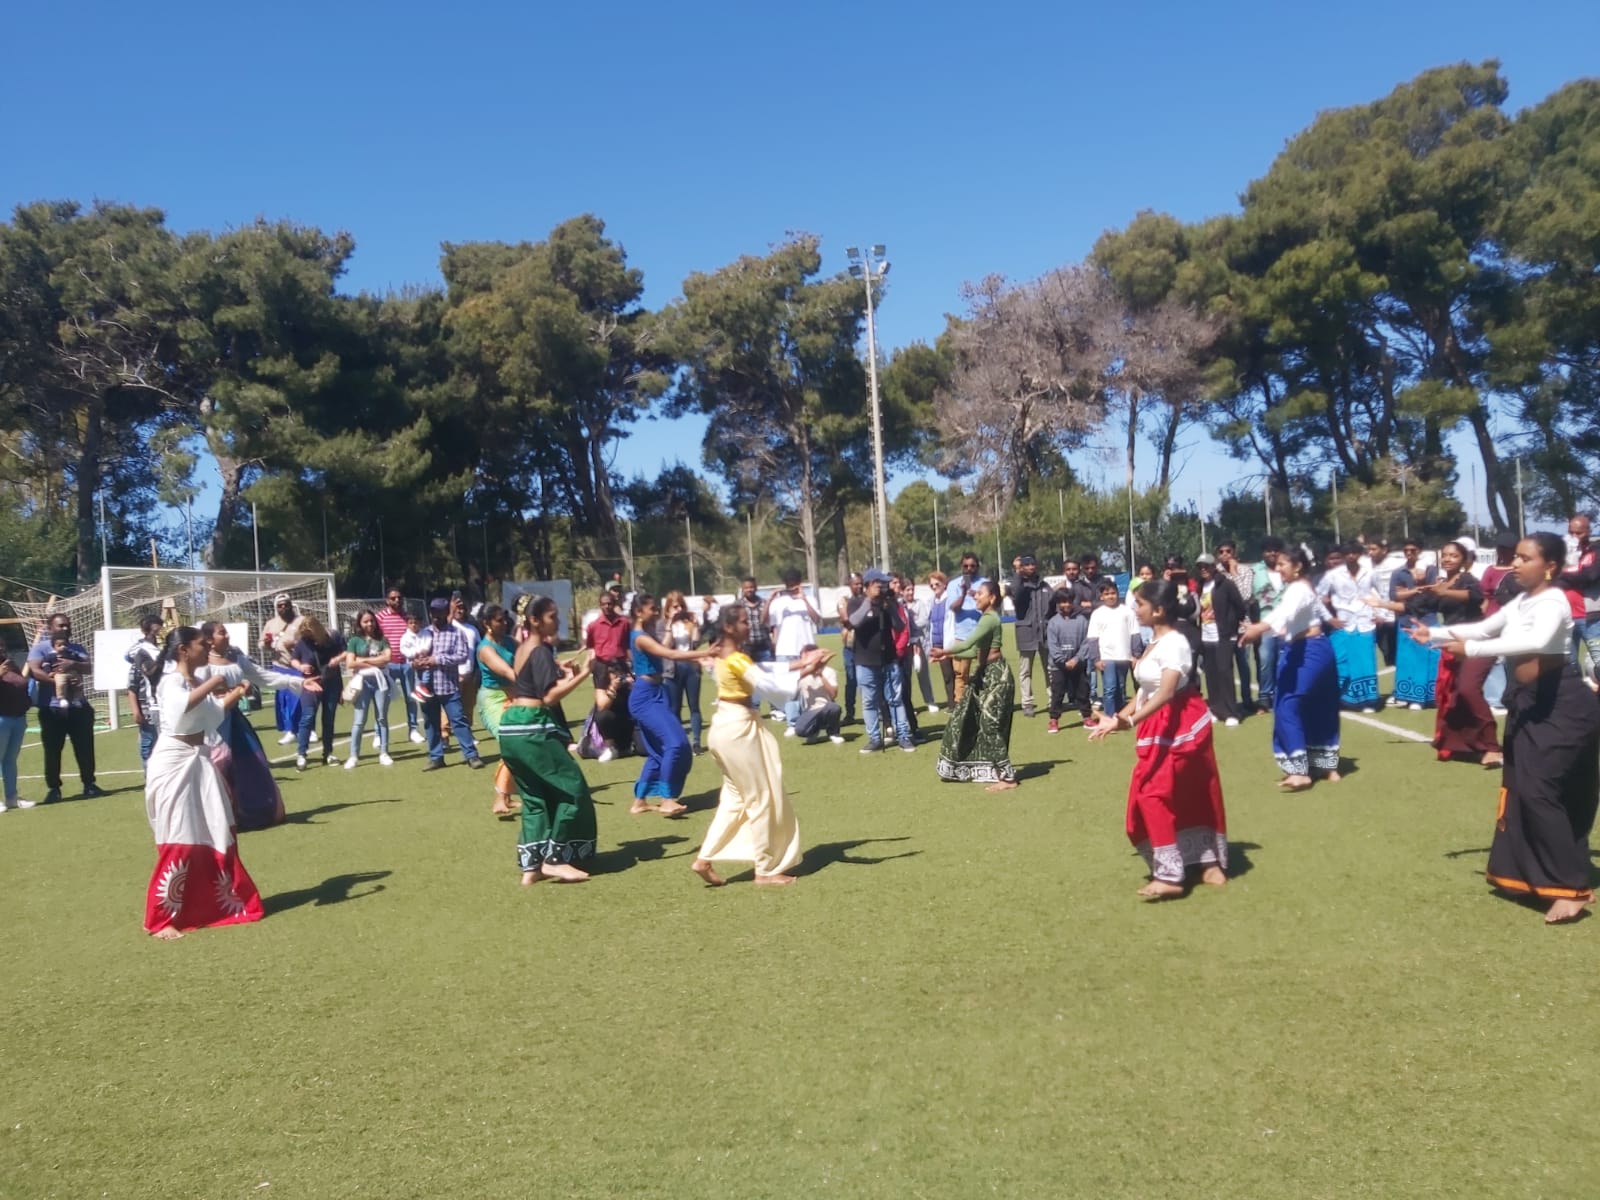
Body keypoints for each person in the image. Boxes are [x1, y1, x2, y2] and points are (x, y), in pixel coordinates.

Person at [1420, 533, 1598, 923]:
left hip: (1561, 705)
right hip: (1529, 705)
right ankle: (1529, 875)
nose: (1514, 564)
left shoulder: (1554, 600)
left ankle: (1571, 888)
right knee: (1521, 789)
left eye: (1524, 558)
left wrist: (1469, 651)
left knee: (1540, 791)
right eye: (1515, 557)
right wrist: (1431, 635)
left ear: (1549, 565)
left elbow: (1530, 640)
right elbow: (1485, 628)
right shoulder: (1521, 600)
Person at [1087, 580, 1228, 898]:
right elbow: (1145, 690)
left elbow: (1166, 691)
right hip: (1159, 724)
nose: (1135, 609)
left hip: (1181, 724)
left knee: (1162, 793)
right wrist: (1119, 717)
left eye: (1140, 604)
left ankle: (1174, 874)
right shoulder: (1154, 642)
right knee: (1166, 794)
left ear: (1159, 609)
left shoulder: (1175, 642)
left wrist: (1130, 721)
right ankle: (1200, 862)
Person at [690, 607, 830, 887]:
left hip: (724, 727)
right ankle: (765, 869)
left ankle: (704, 859)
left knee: (735, 799)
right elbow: (765, 682)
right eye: (743, 621)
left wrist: (801, 665)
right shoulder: (737, 659)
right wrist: (807, 671)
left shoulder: (724, 655)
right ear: (729, 627)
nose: (748, 625)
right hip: (738, 731)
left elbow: (763, 670)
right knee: (761, 798)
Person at [142, 627, 263, 939]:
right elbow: (180, 712)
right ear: (183, 649)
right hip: (174, 763)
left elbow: (210, 717)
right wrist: (215, 682)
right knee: (180, 834)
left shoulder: (194, 682)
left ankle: (216, 904)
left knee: (216, 830)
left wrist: (236, 692)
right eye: (201, 643)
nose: (207, 646)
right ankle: (160, 919)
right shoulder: (172, 681)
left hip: (199, 760)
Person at [497, 596, 597, 885]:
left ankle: (532, 868)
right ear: (535, 620)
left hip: (511, 729)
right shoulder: (539, 650)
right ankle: (556, 859)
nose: (558, 621)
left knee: (535, 797)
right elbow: (548, 697)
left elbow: (529, 682)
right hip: (531, 728)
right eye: (552, 616)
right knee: (572, 788)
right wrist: (585, 674)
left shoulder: (523, 648)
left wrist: (564, 673)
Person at [1240, 548, 1342, 791]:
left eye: (1283, 564)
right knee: (1319, 705)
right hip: (1316, 649)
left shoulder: (1297, 589)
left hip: (1307, 652)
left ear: (1298, 566)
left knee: (1287, 704)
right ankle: (1328, 767)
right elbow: (1315, 611)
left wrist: (1259, 627)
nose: (1279, 568)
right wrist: (1331, 620)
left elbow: (1284, 612)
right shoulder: (1304, 587)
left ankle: (1299, 771)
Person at [196, 622, 298, 831]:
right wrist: (227, 692)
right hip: (213, 724)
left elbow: (264, 677)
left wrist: (296, 682)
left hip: (235, 722)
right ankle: (218, 820)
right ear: (209, 640)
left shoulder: (236, 659)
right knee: (218, 766)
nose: (227, 635)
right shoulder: (202, 665)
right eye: (221, 632)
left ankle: (251, 814)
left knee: (253, 765)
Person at [626, 593, 709, 817]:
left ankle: (640, 801)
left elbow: (664, 647)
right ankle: (667, 799)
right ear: (638, 612)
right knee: (676, 744)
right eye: (652, 608)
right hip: (645, 697)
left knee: (658, 752)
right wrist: (706, 652)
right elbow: (670, 653)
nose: (655, 612)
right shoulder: (640, 636)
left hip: (656, 692)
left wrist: (671, 625)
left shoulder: (646, 635)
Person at [931, 579, 1017, 790]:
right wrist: (946, 657)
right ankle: (985, 769)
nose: (975, 597)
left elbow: (968, 643)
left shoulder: (990, 619)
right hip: (985, 676)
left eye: (980, 593)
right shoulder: (985, 618)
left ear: (992, 598)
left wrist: (944, 651)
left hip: (997, 677)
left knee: (989, 725)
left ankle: (1008, 778)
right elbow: (973, 652)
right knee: (964, 719)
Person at [1422, 542, 1502, 767]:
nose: (1448, 559)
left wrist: (1444, 591)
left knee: (1468, 691)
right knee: (1451, 695)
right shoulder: (1440, 582)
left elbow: (1476, 597)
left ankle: (1492, 746)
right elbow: (1420, 605)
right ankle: (1461, 744)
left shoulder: (1468, 580)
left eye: (1453, 556)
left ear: (1463, 559)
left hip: (1473, 641)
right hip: (1450, 643)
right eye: (1444, 556)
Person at [26, 613, 102, 804]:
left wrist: (73, 665)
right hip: (51, 707)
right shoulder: (40, 649)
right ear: (50, 628)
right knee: (52, 750)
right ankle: (54, 788)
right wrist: (55, 680)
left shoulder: (76, 648)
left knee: (84, 747)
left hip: (79, 707)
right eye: (61, 626)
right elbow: (34, 670)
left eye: (67, 625)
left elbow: (88, 667)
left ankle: (89, 784)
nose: (65, 629)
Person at [848, 569, 915, 753]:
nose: (883, 587)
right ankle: (874, 738)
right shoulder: (856, 602)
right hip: (865, 661)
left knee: (895, 699)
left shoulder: (888, 604)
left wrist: (891, 607)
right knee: (869, 702)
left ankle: (903, 736)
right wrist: (869, 602)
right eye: (880, 584)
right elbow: (854, 621)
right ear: (869, 585)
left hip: (889, 659)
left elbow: (900, 626)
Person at [415, 597, 484, 771]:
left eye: (439, 612)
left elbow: (461, 656)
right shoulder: (424, 633)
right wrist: (416, 663)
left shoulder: (456, 633)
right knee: (431, 722)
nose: (435, 616)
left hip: (448, 685)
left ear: (447, 613)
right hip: (427, 687)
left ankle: (471, 755)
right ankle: (436, 757)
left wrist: (437, 659)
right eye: (433, 612)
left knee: (459, 720)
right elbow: (414, 656)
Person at [1318, 543, 1380, 712]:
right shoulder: (1333, 575)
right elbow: (1317, 597)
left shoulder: (1370, 572)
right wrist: (1330, 619)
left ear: (1360, 554)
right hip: (1343, 623)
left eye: (1355, 552)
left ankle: (1368, 701)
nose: (1351, 556)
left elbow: (1382, 593)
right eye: (1347, 553)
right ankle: (1339, 697)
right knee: (1340, 661)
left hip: (1365, 622)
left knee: (1365, 661)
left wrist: (1381, 614)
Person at [1381, 537, 1440, 709]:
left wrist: (1408, 591)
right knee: (1407, 658)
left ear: (1419, 551)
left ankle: (1423, 698)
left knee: (1426, 658)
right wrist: (1414, 590)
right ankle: (1406, 695)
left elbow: (1431, 593)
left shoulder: (1430, 570)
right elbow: (1394, 596)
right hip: (1406, 619)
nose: (1409, 553)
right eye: (1406, 550)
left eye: (1413, 550)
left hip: (1427, 620)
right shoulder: (1399, 572)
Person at [1194, 554, 1247, 727]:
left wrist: (1231, 625)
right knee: (1211, 674)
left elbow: (1240, 606)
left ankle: (1232, 712)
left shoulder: (1225, 584)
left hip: (1224, 635)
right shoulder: (1201, 586)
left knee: (1225, 671)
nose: (1203, 569)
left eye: (1206, 566)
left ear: (1213, 566)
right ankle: (1216, 709)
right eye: (1200, 566)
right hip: (1206, 636)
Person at [340, 610, 394, 770]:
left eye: (371, 621)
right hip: (362, 682)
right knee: (359, 720)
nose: (369, 624)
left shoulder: (382, 639)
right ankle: (353, 755)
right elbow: (350, 663)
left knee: (382, 718)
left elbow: (387, 659)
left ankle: (384, 752)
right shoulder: (354, 641)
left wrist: (363, 660)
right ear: (359, 624)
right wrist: (374, 662)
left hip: (380, 682)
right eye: (365, 621)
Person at [766, 569, 821, 727]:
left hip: (807, 650)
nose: (792, 587)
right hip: (785, 650)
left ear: (800, 583)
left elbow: (816, 619)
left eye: (795, 584)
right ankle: (793, 723)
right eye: (789, 585)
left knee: (809, 686)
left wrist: (804, 599)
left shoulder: (809, 598)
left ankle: (809, 719)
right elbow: (767, 622)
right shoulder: (778, 602)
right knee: (789, 689)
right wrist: (770, 599)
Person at [289, 615, 345, 770]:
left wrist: (337, 660)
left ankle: (328, 753)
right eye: (306, 635)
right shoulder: (303, 642)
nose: (309, 637)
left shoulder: (332, 638)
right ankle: (302, 754)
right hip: (311, 683)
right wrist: (300, 667)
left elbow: (346, 652)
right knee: (307, 716)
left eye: (311, 634)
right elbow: (293, 659)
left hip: (332, 682)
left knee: (329, 718)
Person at [374, 588, 425, 745]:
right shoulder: (380, 617)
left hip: (407, 664)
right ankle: (378, 733)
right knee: (383, 699)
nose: (397, 600)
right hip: (388, 664)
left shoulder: (408, 617)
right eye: (393, 598)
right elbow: (375, 637)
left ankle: (413, 730)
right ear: (387, 600)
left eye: (399, 597)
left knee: (410, 698)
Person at [1479, 531, 1521, 713]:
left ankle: (1514, 694)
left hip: (1515, 619)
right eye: (1501, 549)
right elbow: (1484, 597)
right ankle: (1494, 699)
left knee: (1513, 658)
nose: (1503, 553)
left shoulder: (1518, 570)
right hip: (1493, 618)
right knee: (1495, 659)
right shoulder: (1490, 571)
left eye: (1508, 549)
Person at [1087, 579, 1139, 718]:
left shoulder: (1127, 611)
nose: (1111, 596)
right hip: (1106, 657)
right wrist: (1096, 659)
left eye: (1113, 593)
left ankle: (1120, 716)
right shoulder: (1097, 614)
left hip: (1124, 656)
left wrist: (1136, 655)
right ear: (1101, 596)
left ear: (1117, 593)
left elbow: (1135, 634)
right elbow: (1092, 639)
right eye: (1107, 594)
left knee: (1121, 687)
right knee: (1110, 688)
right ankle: (1109, 717)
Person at [1007, 553, 1051, 718]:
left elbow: (1052, 606)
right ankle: (1027, 703)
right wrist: (1018, 573)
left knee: (1049, 669)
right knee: (1025, 671)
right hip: (1026, 632)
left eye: (1033, 564)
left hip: (1044, 633)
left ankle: (1053, 700)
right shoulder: (1018, 585)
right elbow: (1016, 595)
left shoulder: (1044, 586)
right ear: (1021, 568)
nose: (1031, 567)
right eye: (1026, 565)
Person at [1216, 541, 1258, 709]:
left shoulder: (1245, 571)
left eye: (1228, 551)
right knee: (1224, 666)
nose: (1225, 554)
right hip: (1221, 626)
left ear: (1234, 552)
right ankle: (1227, 702)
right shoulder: (1216, 573)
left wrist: (1233, 573)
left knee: (1243, 663)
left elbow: (1245, 595)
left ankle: (1247, 699)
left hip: (1242, 625)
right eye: (1221, 551)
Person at [662, 592, 705, 754]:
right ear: (668, 609)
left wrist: (695, 625)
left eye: (681, 606)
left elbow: (695, 643)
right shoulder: (663, 624)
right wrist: (669, 624)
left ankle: (696, 742)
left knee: (694, 706)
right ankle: (679, 742)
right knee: (674, 708)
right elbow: (665, 646)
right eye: (675, 606)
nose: (679, 609)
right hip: (672, 668)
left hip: (691, 665)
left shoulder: (689, 622)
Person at [1557, 514, 1600, 675]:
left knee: (1598, 661)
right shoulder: (1562, 553)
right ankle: (1582, 698)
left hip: (1591, 618)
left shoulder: (1596, 550)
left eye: (1579, 533)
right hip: (1566, 617)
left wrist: (1563, 577)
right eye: (1571, 532)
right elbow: (1551, 578)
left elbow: (1591, 576)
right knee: (1570, 665)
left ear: (1588, 531)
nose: (1574, 537)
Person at [1045, 588, 1091, 733]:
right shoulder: (1053, 622)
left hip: (1077, 664)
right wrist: (1063, 661)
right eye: (1063, 602)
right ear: (1058, 603)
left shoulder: (1082, 620)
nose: (1066, 605)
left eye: (1069, 601)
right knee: (1057, 693)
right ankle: (1053, 720)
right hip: (1058, 666)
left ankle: (1087, 718)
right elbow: (1052, 645)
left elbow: (1086, 642)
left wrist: (1076, 659)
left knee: (1083, 692)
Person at [261, 594, 304, 746]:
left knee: (299, 699)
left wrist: (295, 643)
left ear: (291, 605)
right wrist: (266, 643)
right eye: (280, 605)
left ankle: (304, 728)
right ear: (276, 607)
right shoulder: (271, 624)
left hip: (298, 665)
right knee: (283, 701)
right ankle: (290, 731)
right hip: (279, 666)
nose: (283, 608)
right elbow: (262, 645)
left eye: (286, 604)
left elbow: (311, 638)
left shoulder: (301, 621)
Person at [1252, 538, 1288, 711]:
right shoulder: (1255, 571)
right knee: (1265, 660)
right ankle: (1264, 696)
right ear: (1262, 553)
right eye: (1268, 550)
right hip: (1265, 622)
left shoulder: (1287, 568)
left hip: (1286, 623)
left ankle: (1281, 694)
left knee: (1283, 661)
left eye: (1275, 550)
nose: (1272, 553)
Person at [125, 613, 165, 771]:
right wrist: (136, 711)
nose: (158, 633)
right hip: (147, 706)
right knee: (148, 743)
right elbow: (132, 686)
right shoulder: (140, 653)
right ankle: (149, 776)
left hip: (161, 704)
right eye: (155, 629)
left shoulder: (161, 651)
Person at [947, 553, 987, 703]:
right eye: (966, 566)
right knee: (960, 674)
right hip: (962, 637)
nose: (969, 569)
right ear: (961, 567)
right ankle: (960, 706)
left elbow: (991, 607)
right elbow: (954, 608)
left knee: (985, 672)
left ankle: (984, 702)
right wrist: (963, 593)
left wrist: (977, 596)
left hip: (982, 635)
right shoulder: (953, 585)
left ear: (977, 567)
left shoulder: (985, 583)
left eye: (972, 566)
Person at [1, 655, 35, 813]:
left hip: (18, 718)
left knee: (10, 759)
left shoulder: (10, 664)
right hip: (2, 718)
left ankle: (12, 797)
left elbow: (22, 682)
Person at [791, 642, 843, 744]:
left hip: (826, 707)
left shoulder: (829, 672)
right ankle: (813, 732)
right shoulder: (802, 673)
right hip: (809, 710)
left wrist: (820, 675)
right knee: (800, 730)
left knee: (834, 708)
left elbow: (833, 694)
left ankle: (833, 732)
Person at [836, 572, 864, 723]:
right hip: (849, 646)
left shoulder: (867, 599)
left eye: (860, 583)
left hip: (864, 646)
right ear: (850, 585)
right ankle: (850, 713)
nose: (859, 586)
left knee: (865, 681)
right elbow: (845, 618)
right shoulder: (844, 600)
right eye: (855, 584)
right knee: (851, 680)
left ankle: (872, 711)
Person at [925, 571, 954, 708]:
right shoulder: (932, 601)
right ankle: (951, 703)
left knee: (955, 674)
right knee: (946, 675)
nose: (935, 587)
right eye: (932, 585)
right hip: (937, 643)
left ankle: (956, 703)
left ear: (944, 584)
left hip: (949, 643)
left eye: (937, 584)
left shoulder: (950, 599)